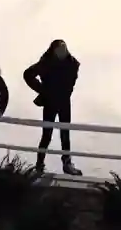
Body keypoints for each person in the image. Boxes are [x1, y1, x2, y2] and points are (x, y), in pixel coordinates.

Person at [23, 40, 82, 175]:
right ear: (53, 50)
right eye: (59, 49)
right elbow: (28, 74)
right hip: (50, 102)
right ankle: (39, 164)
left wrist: (65, 91)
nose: (62, 52)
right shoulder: (46, 62)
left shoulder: (72, 63)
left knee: (65, 133)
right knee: (47, 134)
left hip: (64, 101)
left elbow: (71, 82)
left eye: (64, 49)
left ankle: (67, 164)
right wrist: (42, 90)